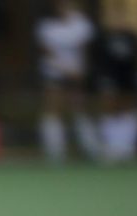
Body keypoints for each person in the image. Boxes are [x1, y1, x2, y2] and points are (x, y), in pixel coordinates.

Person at [36, 0, 98, 162]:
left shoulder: (81, 25)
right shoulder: (47, 27)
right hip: (54, 72)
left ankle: (91, 149)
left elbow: (85, 51)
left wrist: (79, 71)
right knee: (53, 109)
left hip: (76, 74)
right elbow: (47, 53)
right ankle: (55, 153)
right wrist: (64, 69)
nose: (63, 8)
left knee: (79, 107)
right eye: (60, 5)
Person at [93, 6, 137, 162]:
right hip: (109, 77)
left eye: (119, 18)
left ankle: (127, 147)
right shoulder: (102, 38)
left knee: (127, 108)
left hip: (128, 77)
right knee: (110, 107)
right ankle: (111, 146)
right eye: (113, 18)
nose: (116, 21)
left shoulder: (132, 37)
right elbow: (98, 61)